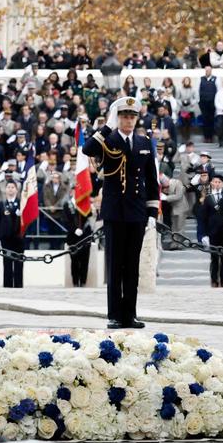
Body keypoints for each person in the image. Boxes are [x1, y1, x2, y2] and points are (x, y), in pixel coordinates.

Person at [82, 96, 159, 328]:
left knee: (132, 265)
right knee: (115, 265)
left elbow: (151, 179)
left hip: (136, 212)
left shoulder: (144, 142)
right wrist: (107, 125)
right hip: (115, 211)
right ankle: (114, 315)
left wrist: (152, 213)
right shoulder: (108, 139)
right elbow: (88, 149)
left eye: (132, 116)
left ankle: (130, 314)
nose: (128, 121)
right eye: (124, 116)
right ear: (118, 118)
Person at [200, 173, 223, 287]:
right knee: (214, 257)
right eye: (215, 182)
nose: (217, 184)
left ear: (222, 184)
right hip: (212, 231)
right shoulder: (208, 198)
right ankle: (214, 280)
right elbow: (204, 217)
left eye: (219, 182)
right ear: (211, 183)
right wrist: (204, 234)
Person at [0, 179, 25, 288]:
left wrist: (21, 214)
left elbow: (27, 222)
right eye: (8, 187)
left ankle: (18, 286)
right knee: (7, 263)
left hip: (19, 238)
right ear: (5, 190)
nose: (10, 189)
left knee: (19, 264)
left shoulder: (22, 204)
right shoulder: (1, 205)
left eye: (13, 187)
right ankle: (7, 286)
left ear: (17, 190)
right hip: (6, 238)